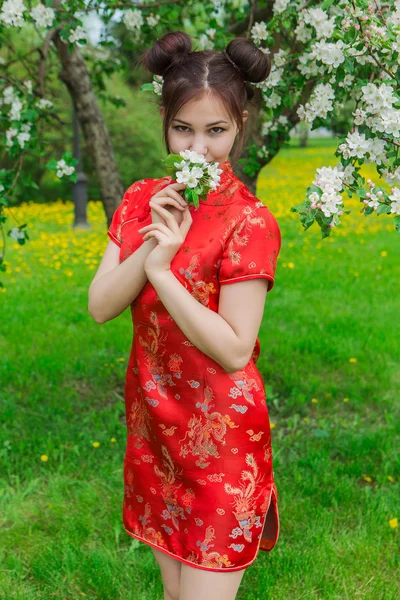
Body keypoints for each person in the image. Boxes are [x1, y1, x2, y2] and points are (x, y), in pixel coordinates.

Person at [88, 30, 282, 600]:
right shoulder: (141, 198)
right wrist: (154, 244)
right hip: (155, 428)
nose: (197, 148)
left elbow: (234, 349)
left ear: (240, 125)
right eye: (183, 129)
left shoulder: (250, 222)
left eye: (215, 131)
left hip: (222, 438)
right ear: (165, 123)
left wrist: (164, 277)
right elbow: (101, 306)